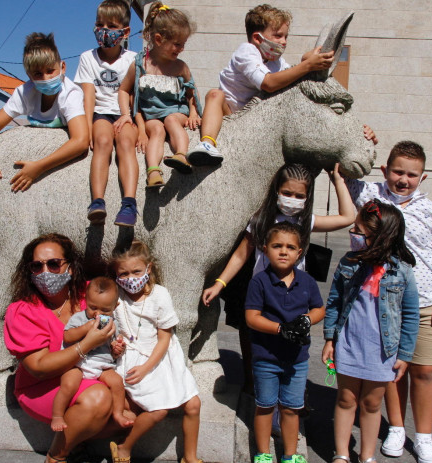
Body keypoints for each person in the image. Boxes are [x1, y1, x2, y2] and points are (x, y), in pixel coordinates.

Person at [346, 141, 432, 463]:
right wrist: (364, 137)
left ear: (422, 177)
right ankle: (396, 427)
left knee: (425, 370)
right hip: (381, 303)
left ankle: (423, 437)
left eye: (412, 174)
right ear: (385, 170)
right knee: (391, 371)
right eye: (398, 171)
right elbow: (341, 164)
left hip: (424, 304)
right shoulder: (370, 196)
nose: (404, 179)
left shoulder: (431, 210)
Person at [201, 163, 355, 392]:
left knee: (292, 344)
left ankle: (292, 395)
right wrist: (220, 283)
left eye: (299, 195)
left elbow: (348, 217)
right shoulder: (261, 219)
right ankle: (255, 387)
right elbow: (241, 254)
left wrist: (338, 182)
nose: (292, 199)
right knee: (259, 342)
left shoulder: (305, 221)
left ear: (307, 197)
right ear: (276, 191)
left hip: (293, 294)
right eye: (287, 193)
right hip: (263, 293)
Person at [3, 233, 127, 463]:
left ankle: (77, 439)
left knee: (138, 405)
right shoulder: (23, 310)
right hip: (42, 386)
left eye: (53, 264)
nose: (45, 272)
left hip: (91, 375)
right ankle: (57, 456)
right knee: (98, 398)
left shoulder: (90, 295)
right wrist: (85, 344)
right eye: (36, 266)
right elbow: (39, 368)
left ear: (70, 267)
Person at [321, 200, 420, 463]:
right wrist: (330, 339)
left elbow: (411, 315)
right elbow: (334, 301)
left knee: (372, 404)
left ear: (379, 238)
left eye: (358, 231)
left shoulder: (402, 272)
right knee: (345, 399)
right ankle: (341, 454)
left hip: (382, 351)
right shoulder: (348, 263)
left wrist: (405, 354)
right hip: (349, 345)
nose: (352, 234)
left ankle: (367, 456)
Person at [186, 3, 334, 165]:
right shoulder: (246, 52)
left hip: (255, 120)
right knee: (215, 94)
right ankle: (207, 143)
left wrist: (306, 60)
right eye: (278, 36)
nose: (283, 42)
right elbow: (268, 83)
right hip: (230, 114)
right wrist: (306, 65)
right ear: (257, 38)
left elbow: (291, 76)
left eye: (286, 36)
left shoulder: (276, 62)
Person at [109, 240, 202, 463]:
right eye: (124, 274)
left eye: (136, 271)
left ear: (148, 269)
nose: (131, 279)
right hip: (132, 358)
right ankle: (124, 447)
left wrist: (147, 367)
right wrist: (115, 346)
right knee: (159, 409)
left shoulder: (159, 295)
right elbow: (112, 332)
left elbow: (165, 337)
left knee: (194, 404)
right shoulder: (116, 297)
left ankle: (190, 457)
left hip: (162, 357)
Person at [244, 222, 325, 463]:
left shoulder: (307, 281)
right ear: (265, 248)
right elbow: (251, 318)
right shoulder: (259, 281)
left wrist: (306, 321)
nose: (283, 251)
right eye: (277, 246)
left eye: (290, 247)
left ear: (300, 252)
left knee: (291, 408)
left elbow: (319, 308)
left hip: (297, 359)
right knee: (265, 406)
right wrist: (280, 329)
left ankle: (290, 454)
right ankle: (263, 453)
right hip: (266, 358)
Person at [0, 32, 89, 196]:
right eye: (38, 74)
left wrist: (39, 167)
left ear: (63, 67)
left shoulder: (70, 94)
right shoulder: (25, 93)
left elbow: (81, 141)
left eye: (51, 71)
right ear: (29, 75)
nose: (45, 78)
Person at [114, 2, 202, 188]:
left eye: (183, 44)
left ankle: (181, 155)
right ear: (159, 39)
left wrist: (193, 112)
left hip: (176, 111)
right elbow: (124, 90)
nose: (181, 49)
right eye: (177, 44)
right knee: (156, 129)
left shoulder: (180, 67)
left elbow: (191, 93)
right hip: (151, 116)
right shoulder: (140, 65)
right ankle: (153, 171)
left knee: (170, 120)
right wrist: (126, 115)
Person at [74, 0, 140, 227]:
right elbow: (88, 95)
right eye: (100, 25)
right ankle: (97, 202)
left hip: (125, 114)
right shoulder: (87, 58)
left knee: (125, 143)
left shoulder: (133, 59)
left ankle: (129, 204)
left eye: (111, 26)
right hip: (100, 113)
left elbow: (134, 94)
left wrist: (134, 121)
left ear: (125, 31)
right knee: (102, 141)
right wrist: (87, 128)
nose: (104, 31)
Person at [51, 277, 133, 432]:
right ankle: (57, 415)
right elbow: (67, 337)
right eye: (93, 307)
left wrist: (116, 348)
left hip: (101, 365)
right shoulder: (80, 318)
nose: (98, 314)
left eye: (105, 310)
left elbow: (112, 347)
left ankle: (118, 413)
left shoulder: (112, 324)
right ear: (86, 301)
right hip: (78, 363)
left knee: (117, 382)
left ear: (115, 307)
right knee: (69, 384)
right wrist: (85, 328)